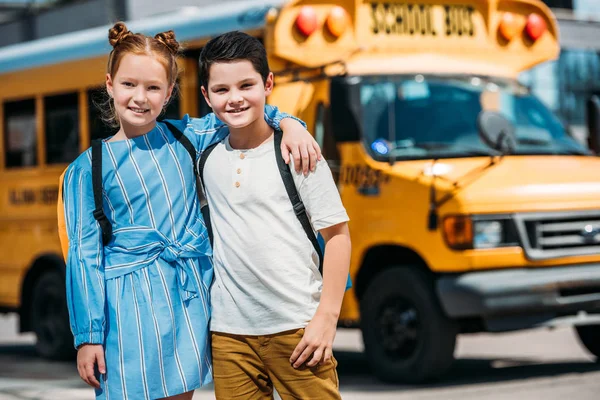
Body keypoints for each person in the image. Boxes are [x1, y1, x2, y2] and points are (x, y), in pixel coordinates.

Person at [62, 22, 320, 400]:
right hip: (125, 311)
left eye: (153, 88)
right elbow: (83, 259)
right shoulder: (86, 168)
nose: (140, 97)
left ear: (169, 93)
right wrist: (87, 337)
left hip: (186, 300)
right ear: (109, 84)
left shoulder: (187, 137)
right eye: (129, 84)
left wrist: (289, 123)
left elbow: (243, 111)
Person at [199, 31, 351, 399]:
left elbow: (338, 237)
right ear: (206, 95)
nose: (234, 98)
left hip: (299, 327)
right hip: (229, 335)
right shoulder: (205, 158)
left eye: (246, 85)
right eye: (221, 90)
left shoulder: (299, 155)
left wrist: (326, 319)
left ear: (268, 84)